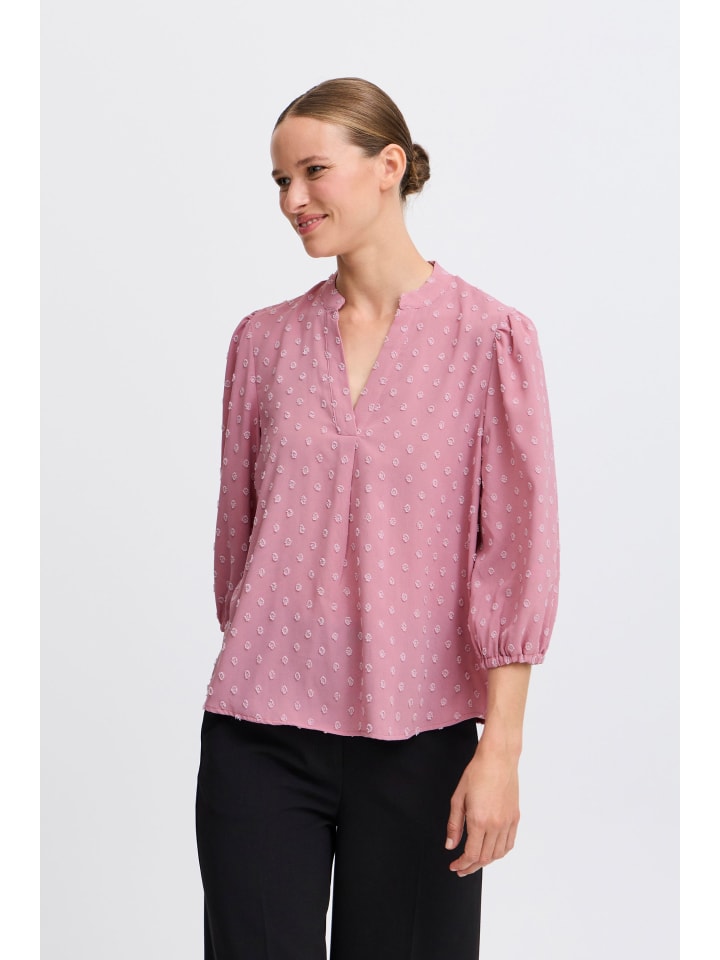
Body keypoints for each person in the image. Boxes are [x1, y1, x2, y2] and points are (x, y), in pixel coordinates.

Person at [195, 77, 560, 960]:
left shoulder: (491, 340)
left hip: (421, 738)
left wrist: (500, 752)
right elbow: (237, 542)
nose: (293, 199)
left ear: (389, 165)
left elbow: (515, 555)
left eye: (313, 171)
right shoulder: (262, 342)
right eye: (280, 181)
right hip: (260, 730)